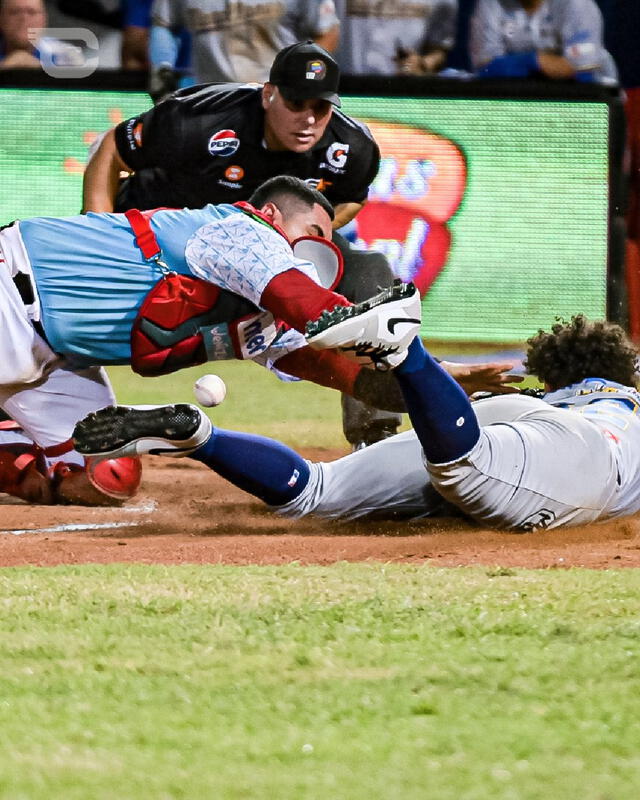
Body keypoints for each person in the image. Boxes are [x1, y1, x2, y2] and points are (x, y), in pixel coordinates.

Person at [0, 175, 512, 507]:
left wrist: (437, 382)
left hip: (55, 361)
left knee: (109, 476)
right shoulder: (237, 231)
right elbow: (308, 305)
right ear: (270, 217)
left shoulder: (263, 311)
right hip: (8, 292)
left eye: (329, 241)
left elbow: (358, 380)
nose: (319, 248)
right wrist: (399, 337)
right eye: (313, 230)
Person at [81, 40, 404, 450]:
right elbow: (112, 150)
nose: (308, 119)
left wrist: (299, 241)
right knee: (82, 310)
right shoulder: (200, 117)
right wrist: (99, 234)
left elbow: (351, 196)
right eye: (296, 103)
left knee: (369, 271)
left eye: (320, 108)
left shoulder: (351, 147)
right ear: (268, 94)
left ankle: (375, 437)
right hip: (165, 236)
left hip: (262, 248)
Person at [74, 311, 640, 531]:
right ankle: (405, 351)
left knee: (312, 493)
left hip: (492, 418)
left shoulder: (552, 394)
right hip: (584, 453)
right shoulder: (625, 407)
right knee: (465, 469)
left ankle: (203, 436)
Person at [147, 0, 339, 85]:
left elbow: (327, 31)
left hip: (275, 98)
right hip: (209, 99)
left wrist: (302, 81)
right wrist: (162, 66)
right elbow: (164, 23)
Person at [469, 0, 618, 84]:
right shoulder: (491, 3)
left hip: (589, 103)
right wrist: (534, 61)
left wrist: (510, 65)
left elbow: (582, 72)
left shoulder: (576, 4)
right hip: (516, 101)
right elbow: (486, 69)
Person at [334, 0, 457, 77]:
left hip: (401, 94)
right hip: (344, 88)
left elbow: (438, 48)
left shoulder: (444, 3)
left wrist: (422, 64)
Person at [0, 0, 84, 69]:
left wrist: (40, 72)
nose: (23, 18)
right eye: (15, 12)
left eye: (31, 12)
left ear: (44, 19)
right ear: (2, 19)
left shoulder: (66, 55)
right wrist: (4, 68)